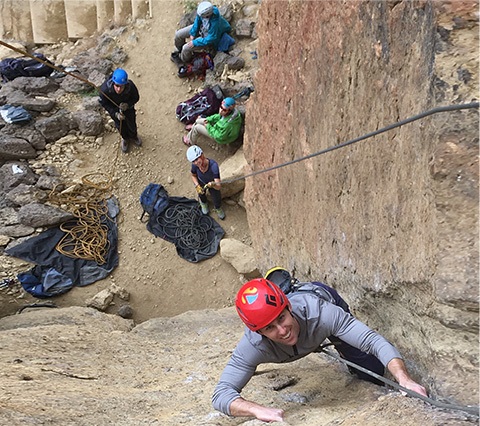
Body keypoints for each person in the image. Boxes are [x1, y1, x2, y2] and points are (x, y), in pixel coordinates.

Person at [212, 270, 428, 422]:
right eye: (269, 328)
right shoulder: (253, 345)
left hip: (321, 296)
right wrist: (257, 410)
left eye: (282, 318)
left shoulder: (323, 314)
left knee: (369, 371)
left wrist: (404, 379)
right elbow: (221, 395)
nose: (282, 330)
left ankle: (341, 345)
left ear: (287, 306)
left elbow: (373, 341)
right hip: (305, 326)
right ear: (258, 332)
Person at [171, 1, 231, 66]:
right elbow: (198, 20)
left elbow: (211, 39)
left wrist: (195, 42)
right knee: (178, 34)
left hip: (207, 39)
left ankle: (183, 59)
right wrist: (193, 32)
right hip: (202, 29)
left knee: (186, 48)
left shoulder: (215, 24)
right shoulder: (203, 13)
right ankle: (180, 49)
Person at [99, 68, 141, 153]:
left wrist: (128, 105)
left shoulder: (130, 87)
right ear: (113, 83)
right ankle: (125, 138)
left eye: (121, 86)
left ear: (125, 84)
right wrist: (115, 113)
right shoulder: (105, 91)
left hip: (128, 109)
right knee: (120, 126)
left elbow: (136, 97)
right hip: (114, 110)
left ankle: (133, 136)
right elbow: (105, 104)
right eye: (117, 86)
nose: (119, 89)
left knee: (131, 123)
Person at [186, 144, 225, 220]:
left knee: (216, 197)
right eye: (194, 161)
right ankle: (204, 203)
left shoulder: (213, 166)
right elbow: (193, 175)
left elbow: (218, 186)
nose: (196, 163)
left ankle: (218, 208)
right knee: (201, 193)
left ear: (202, 155)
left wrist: (212, 185)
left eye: (197, 159)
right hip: (201, 181)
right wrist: (197, 185)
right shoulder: (195, 166)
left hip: (212, 184)